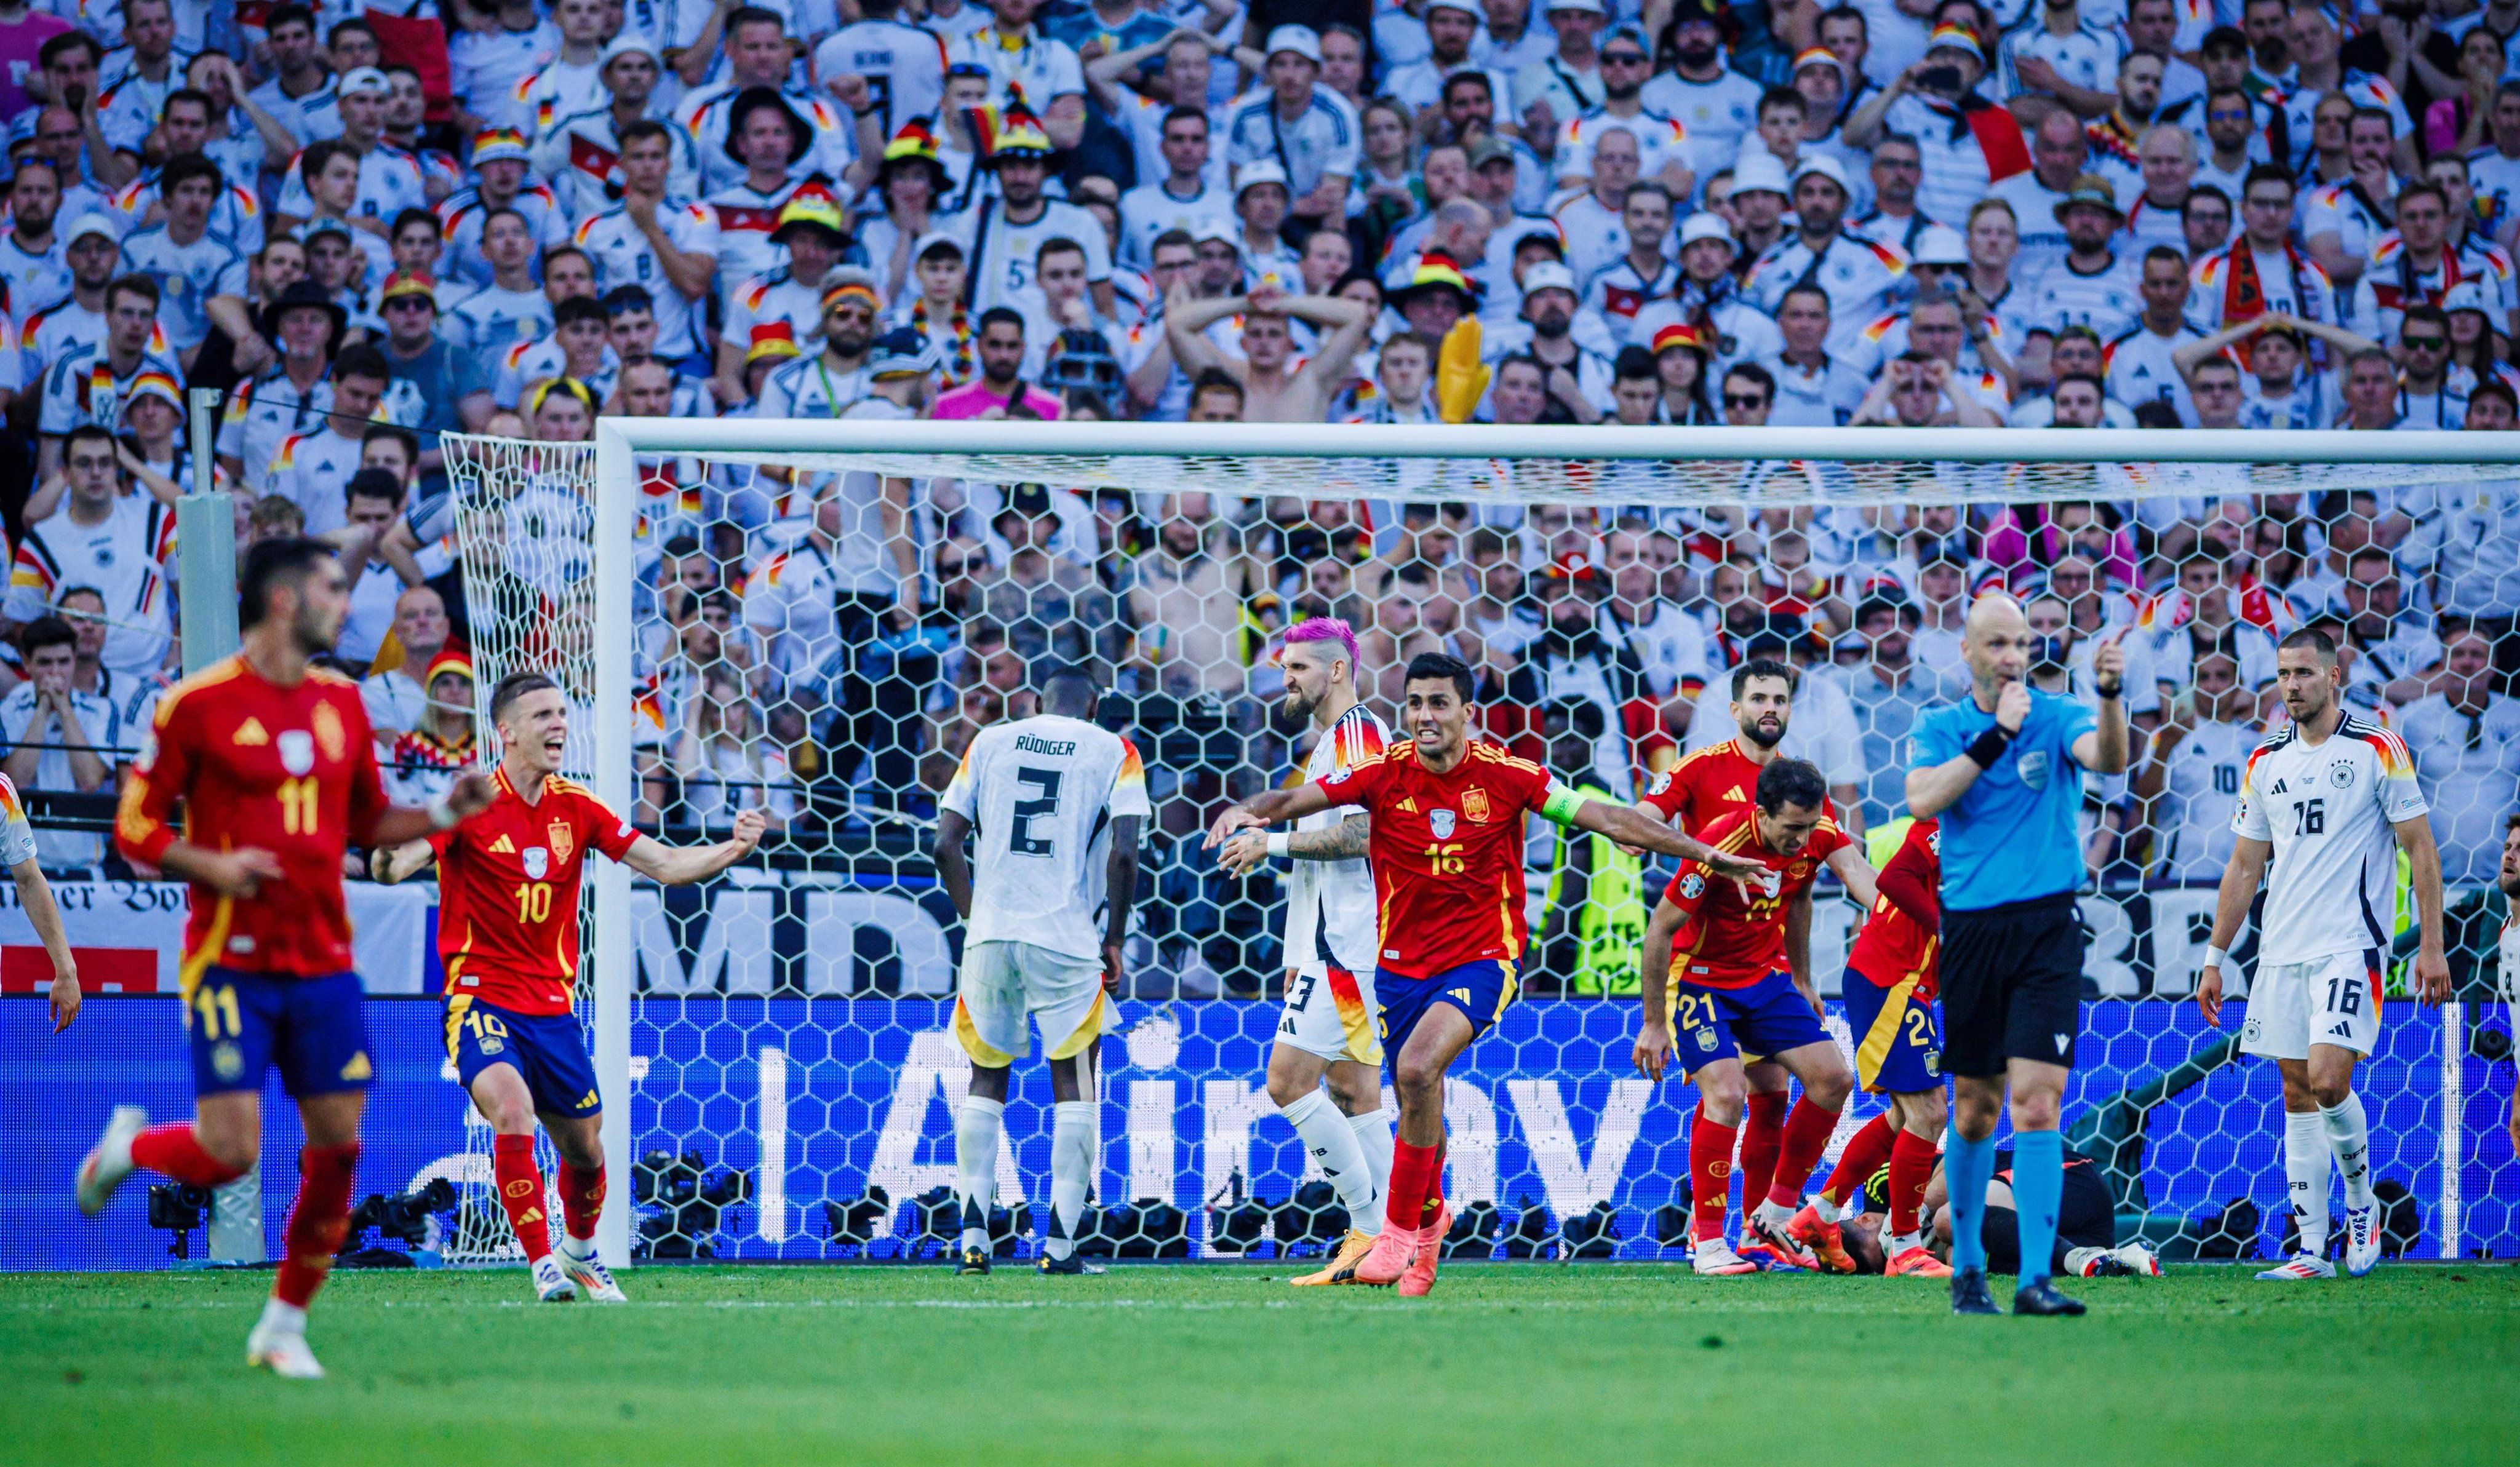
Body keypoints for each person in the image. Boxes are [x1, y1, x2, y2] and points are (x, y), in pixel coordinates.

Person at [1211, 651, 1764, 1295]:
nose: (1423, 716)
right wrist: (1246, 811)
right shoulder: (1382, 772)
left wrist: (1705, 855)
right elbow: (1292, 797)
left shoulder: (1510, 775)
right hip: (1397, 969)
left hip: (1483, 958)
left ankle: (1393, 1234)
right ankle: (1428, 1227)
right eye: (1414, 703)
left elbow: (1610, 819)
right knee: (1422, 1100)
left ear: (1466, 712)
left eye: (1438, 703)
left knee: (1418, 1070)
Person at [79, 536, 498, 1378]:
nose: (347, 605)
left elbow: (370, 824)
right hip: (230, 961)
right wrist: (213, 865)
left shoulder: (342, 703)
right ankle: (127, 1150)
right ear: (283, 600)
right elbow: (131, 828)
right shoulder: (194, 705)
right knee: (231, 1150)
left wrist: (445, 811)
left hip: (325, 965)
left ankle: (282, 1325)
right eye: (332, 590)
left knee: (339, 1147)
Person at [372, 671, 764, 1303]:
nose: (559, 725)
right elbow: (397, 864)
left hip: (552, 1009)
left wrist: (732, 850)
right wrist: (387, 855)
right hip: (479, 998)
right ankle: (541, 1266)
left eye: (561, 713)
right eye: (543, 716)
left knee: (585, 1152)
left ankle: (578, 1254)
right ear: (507, 732)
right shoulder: (468, 806)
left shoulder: (575, 807)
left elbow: (664, 865)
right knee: (512, 1112)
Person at [2196, 628, 2450, 1280]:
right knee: (2293, 1091)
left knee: (2329, 1079)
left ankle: (2360, 1208)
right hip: (2280, 949)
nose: (2291, 687)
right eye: (2283, 675)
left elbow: (2419, 848)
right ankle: (2311, 1249)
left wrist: (2430, 947)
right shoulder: (2264, 761)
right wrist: (2214, 956)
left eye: (2304, 673)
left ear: (2333, 676)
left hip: (2349, 945)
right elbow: (2244, 866)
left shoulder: (2376, 748)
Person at [1905, 591, 2129, 1316]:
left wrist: (2110, 696)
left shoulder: (2059, 715)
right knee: (1973, 1111)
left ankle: (2035, 1278)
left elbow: (2108, 756)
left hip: (2046, 931)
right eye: (1997, 645)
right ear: (1967, 653)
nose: (2011, 658)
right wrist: (1995, 739)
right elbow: (1923, 801)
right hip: (1970, 931)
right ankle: (1968, 1266)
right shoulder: (1941, 727)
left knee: (2037, 1105)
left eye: (2022, 645)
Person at [933, 669, 1147, 1277]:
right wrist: (1113, 939)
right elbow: (1125, 854)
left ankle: (973, 1240)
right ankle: (1059, 1248)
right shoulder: (1115, 749)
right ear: (1096, 706)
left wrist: (978, 919)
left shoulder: (990, 740)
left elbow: (945, 845)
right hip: (1065, 937)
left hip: (991, 937)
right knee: (1075, 1083)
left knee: (984, 1079)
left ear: (1033, 704)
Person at [1634, 757, 1877, 1276]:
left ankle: (1777, 1212)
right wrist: (1654, 1022)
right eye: (1792, 828)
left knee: (1833, 1078)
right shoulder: (1719, 846)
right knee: (1726, 1093)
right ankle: (1709, 1246)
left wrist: (1805, 978)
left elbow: (1824, 885)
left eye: (1810, 826)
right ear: (1761, 812)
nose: (1802, 838)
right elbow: (1659, 931)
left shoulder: (1816, 834)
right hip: (1699, 979)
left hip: (1765, 979)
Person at [1208, 619, 1395, 1286]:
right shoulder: (1326, 748)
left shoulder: (1361, 738)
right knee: (1352, 1089)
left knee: (1287, 1082)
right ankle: (1405, 1228)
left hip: (1351, 946)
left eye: (1298, 668)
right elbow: (1321, 866)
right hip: (1332, 942)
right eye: (1284, 668)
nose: (1285, 680)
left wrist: (1271, 843)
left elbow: (1362, 834)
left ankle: (1370, 1227)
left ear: (1337, 670)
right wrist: (1294, 948)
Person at [1801, 814, 1951, 1279]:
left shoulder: (2002, 830)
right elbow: (1894, 877)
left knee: (1906, 1116)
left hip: (1908, 982)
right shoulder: (1949, 820)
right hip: (1890, 979)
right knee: (1929, 1114)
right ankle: (1905, 1247)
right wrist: (1949, 927)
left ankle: (1822, 1213)